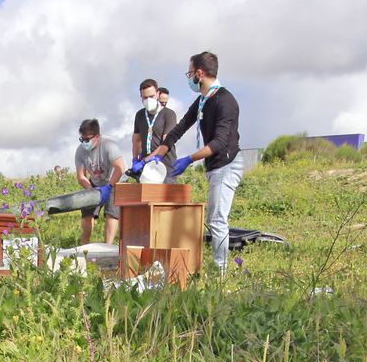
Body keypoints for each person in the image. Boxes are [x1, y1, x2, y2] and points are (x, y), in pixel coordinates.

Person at [142, 51, 243, 270]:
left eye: (189, 74)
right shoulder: (202, 101)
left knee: (217, 220)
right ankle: (218, 266)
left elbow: (218, 143)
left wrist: (189, 159)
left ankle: (221, 271)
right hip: (215, 166)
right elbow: (178, 130)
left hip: (227, 165)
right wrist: (154, 156)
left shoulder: (225, 101)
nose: (189, 79)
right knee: (215, 218)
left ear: (199, 73)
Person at [74, 118, 125, 245]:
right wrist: (91, 190)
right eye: (82, 139)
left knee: (112, 214)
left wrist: (109, 187)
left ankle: (107, 246)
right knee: (87, 213)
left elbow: (120, 168)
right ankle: (84, 246)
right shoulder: (80, 151)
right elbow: (81, 176)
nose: (84, 142)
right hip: (95, 183)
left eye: (87, 139)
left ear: (97, 136)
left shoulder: (109, 146)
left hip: (115, 181)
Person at [132, 78, 178, 183]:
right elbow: (136, 140)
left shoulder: (168, 114)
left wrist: (144, 161)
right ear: (141, 97)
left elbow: (166, 143)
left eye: (151, 96)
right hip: (147, 170)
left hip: (165, 168)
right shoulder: (139, 115)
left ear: (157, 94)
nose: (148, 100)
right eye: (145, 97)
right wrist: (135, 159)